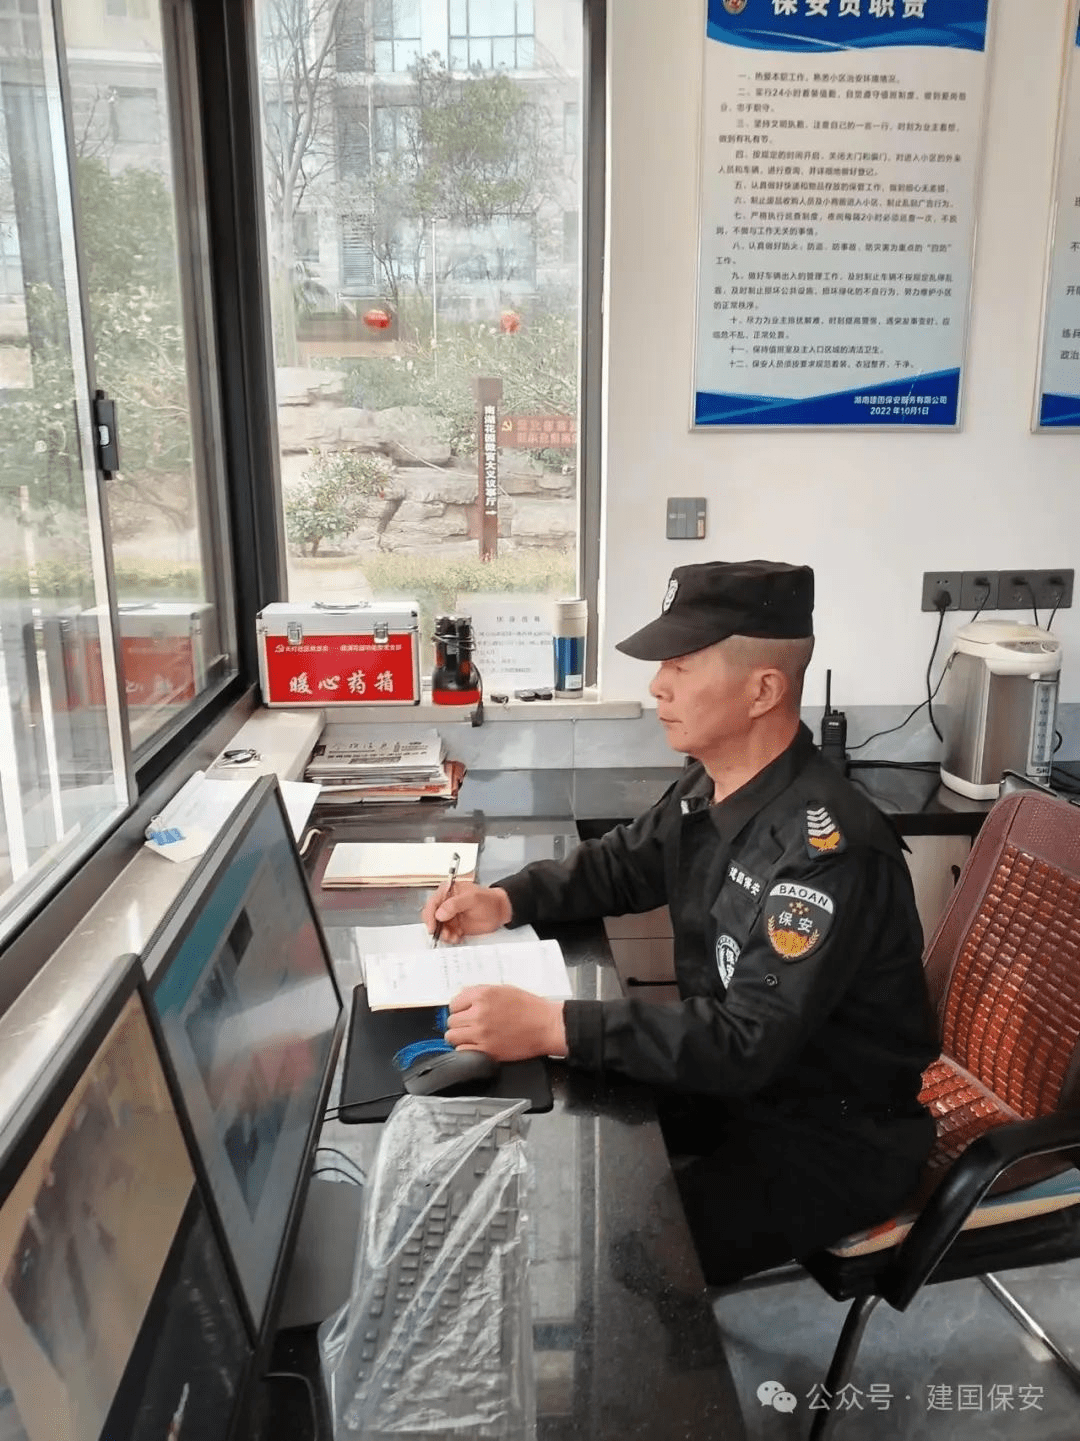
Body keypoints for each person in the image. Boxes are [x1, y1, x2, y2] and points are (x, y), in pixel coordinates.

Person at [421, 560, 939, 1284]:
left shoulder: (827, 851)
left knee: (622, 1252)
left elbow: (745, 1040)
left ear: (763, 690)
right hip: (742, 1092)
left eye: (680, 666)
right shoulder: (713, 781)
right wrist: (504, 901)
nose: (657, 687)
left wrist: (554, 1023)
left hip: (831, 1137)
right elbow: (622, 864)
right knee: (556, 1120)